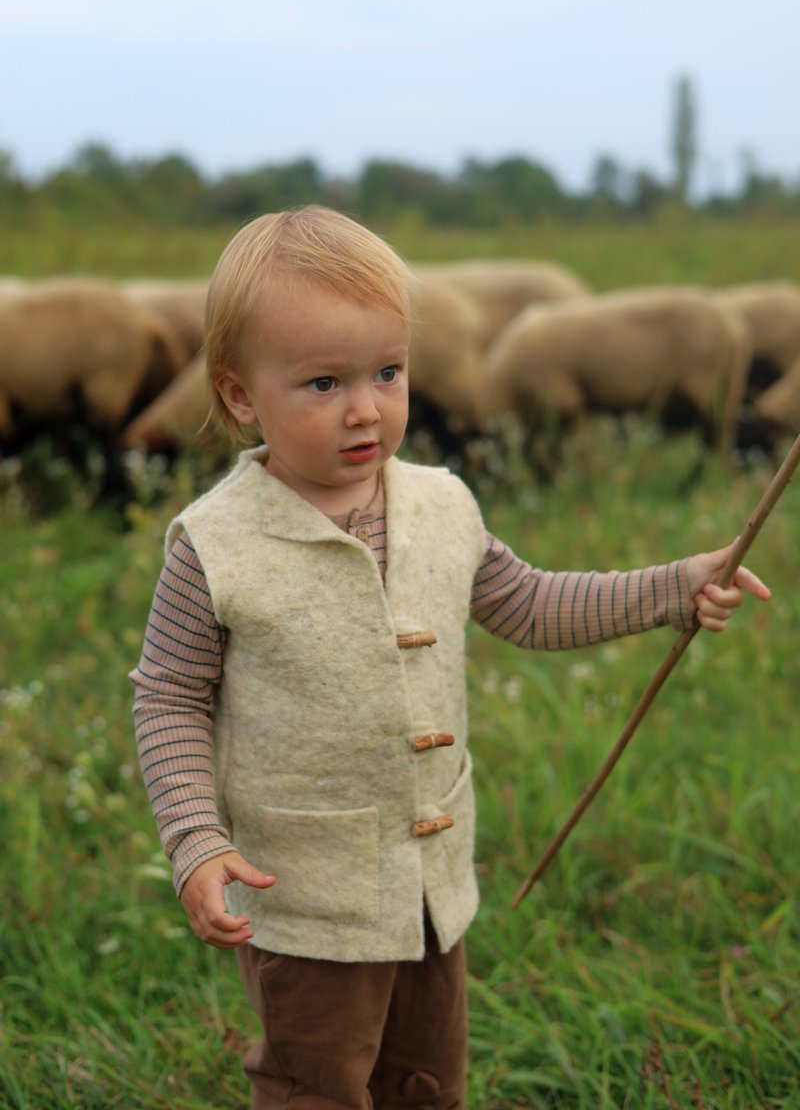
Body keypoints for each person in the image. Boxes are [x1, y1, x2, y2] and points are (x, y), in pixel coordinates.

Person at [130, 206, 770, 1110]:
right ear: (240, 397)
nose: (366, 408)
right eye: (322, 383)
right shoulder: (215, 544)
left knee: (427, 1082)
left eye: (388, 373)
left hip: (433, 893)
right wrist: (195, 839)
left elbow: (531, 602)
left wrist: (673, 585)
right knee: (314, 1083)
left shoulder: (441, 504)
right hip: (310, 896)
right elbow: (167, 698)